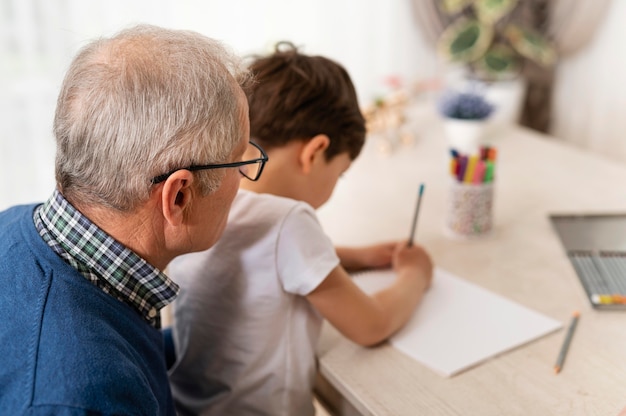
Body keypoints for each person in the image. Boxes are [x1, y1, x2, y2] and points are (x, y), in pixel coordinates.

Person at [0, 24, 262, 415]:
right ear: (178, 196)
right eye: (240, 160)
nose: (244, 176)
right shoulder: (79, 399)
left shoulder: (17, 226)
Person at [167, 42, 434, 416]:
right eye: (338, 172)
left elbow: (265, 260)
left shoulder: (210, 203)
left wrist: (359, 256)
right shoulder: (289, 220)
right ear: (314, 152)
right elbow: (370, 325)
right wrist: (414, 275)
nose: (335, 184)